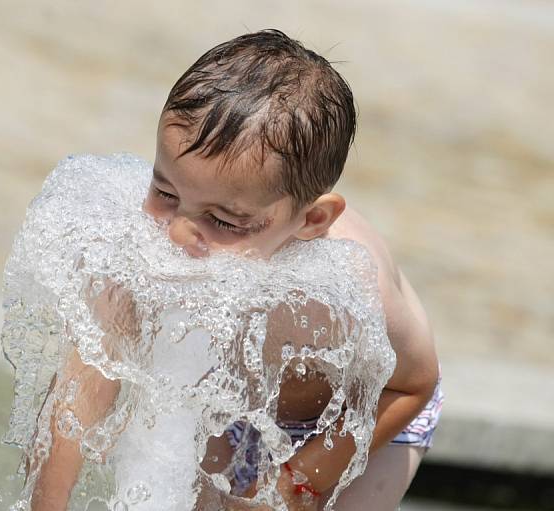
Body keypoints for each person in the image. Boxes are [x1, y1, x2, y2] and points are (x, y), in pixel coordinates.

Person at [31, 29, 442, 510]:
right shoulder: (144, 251)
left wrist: (296, 484)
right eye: (165, 192)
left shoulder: (348, 287)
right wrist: (47, 501)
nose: (179, 233)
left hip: (364, 420)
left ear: (311, 220)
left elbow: (413, 384)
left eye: (223, 221)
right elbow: (85, 384)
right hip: (236, 412)